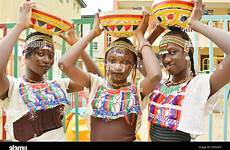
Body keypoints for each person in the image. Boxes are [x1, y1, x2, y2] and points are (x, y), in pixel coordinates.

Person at [0, 1, 101, 141]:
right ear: (25, 54)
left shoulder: (59, 85)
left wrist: (76, 43)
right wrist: (20, 26)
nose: (47, 60)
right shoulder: (13, 87)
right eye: (40, 53)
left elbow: (96, 80)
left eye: (51, 55)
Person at [58, 12, 162, 141]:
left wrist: (140, 35)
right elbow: (64, 64)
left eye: (126, 62)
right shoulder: (96, 84)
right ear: (105, 63)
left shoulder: (137, 90)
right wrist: (92, 33)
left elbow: (155, 75)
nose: (118, 67)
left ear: (133, 66)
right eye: (112, 60)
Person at [146, 0, 230, 142]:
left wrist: (195, 24)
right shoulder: (160, 81)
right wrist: (158, 30)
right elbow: (138, 58)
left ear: (188, 51)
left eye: (172, 52)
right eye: (163, 54)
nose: (166, 59)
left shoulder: (199, 85)